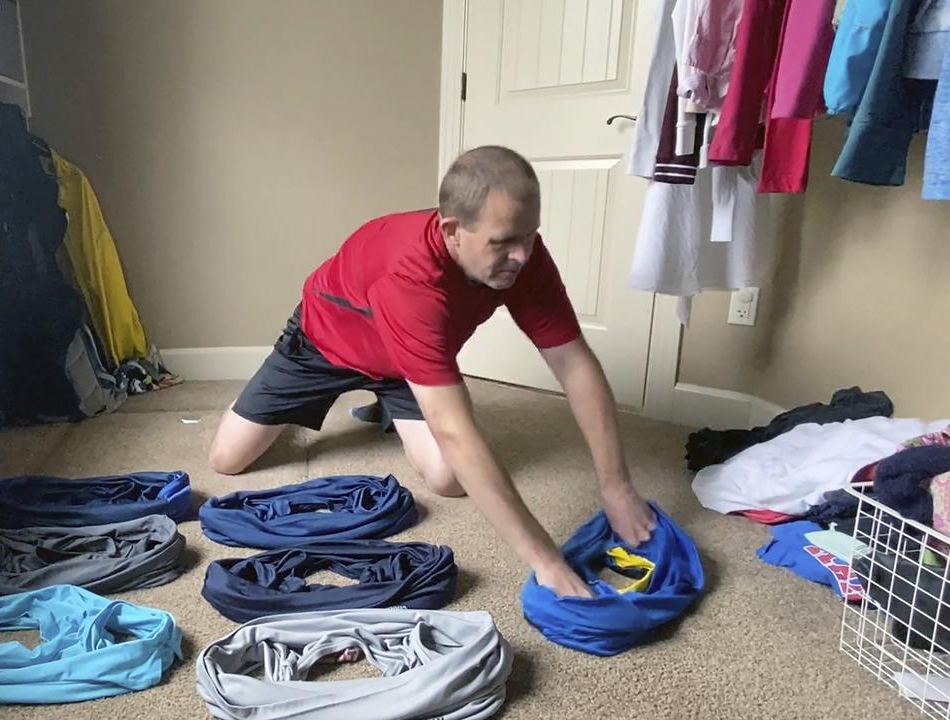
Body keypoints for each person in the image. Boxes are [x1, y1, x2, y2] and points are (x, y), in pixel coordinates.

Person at [207, 145, 656, 597]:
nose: (522, 255)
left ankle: (388, 404)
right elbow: (455, 429)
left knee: (449, 479)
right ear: (453, 231)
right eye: (502, 242)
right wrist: (546, 559)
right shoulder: (411, 280)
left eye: (530, 235)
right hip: (324, 344)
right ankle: (270, 409)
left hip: (404, 366)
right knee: (227, 460)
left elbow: (574, 363)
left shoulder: (525, 258)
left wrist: (616, 486)